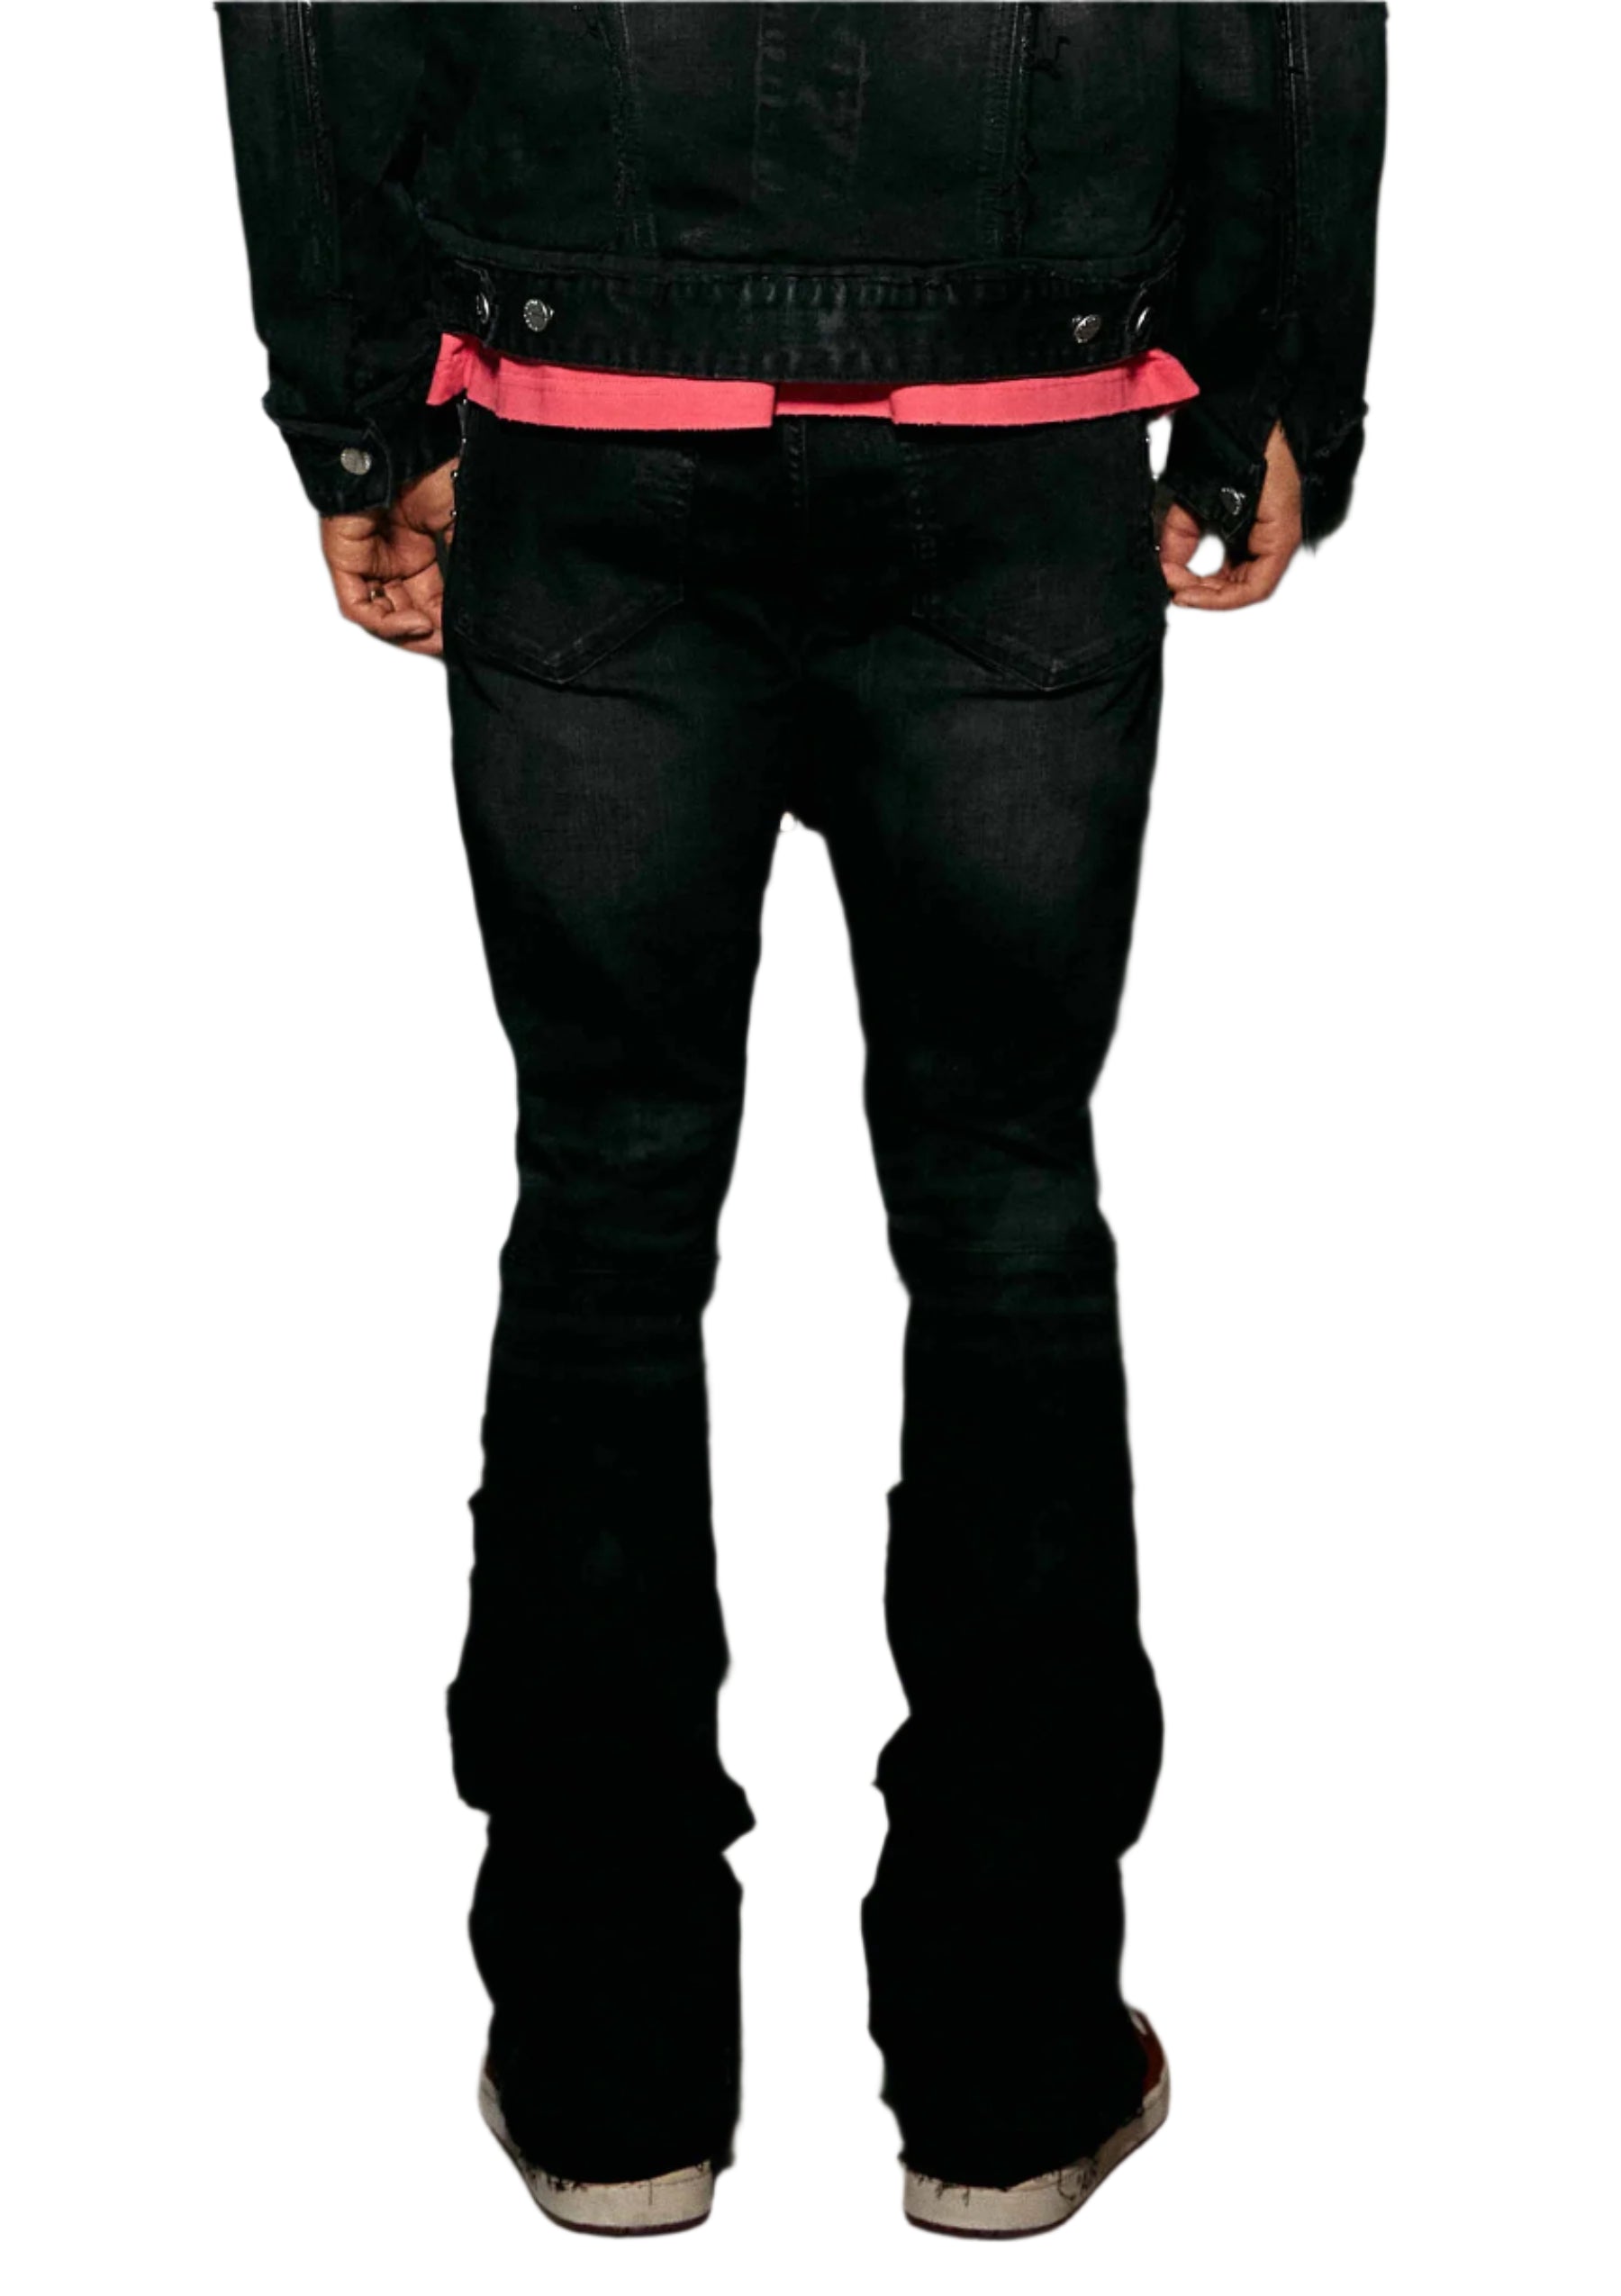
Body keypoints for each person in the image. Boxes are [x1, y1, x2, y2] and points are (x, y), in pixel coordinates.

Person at [216, 0, 1385, 2242]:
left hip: (585, 424)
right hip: (1022, 431)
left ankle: (607, 2073)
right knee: (1006, 1211)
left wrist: (355, 414)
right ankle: (1010, 2075)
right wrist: (1271, 390)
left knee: (608, 1208)